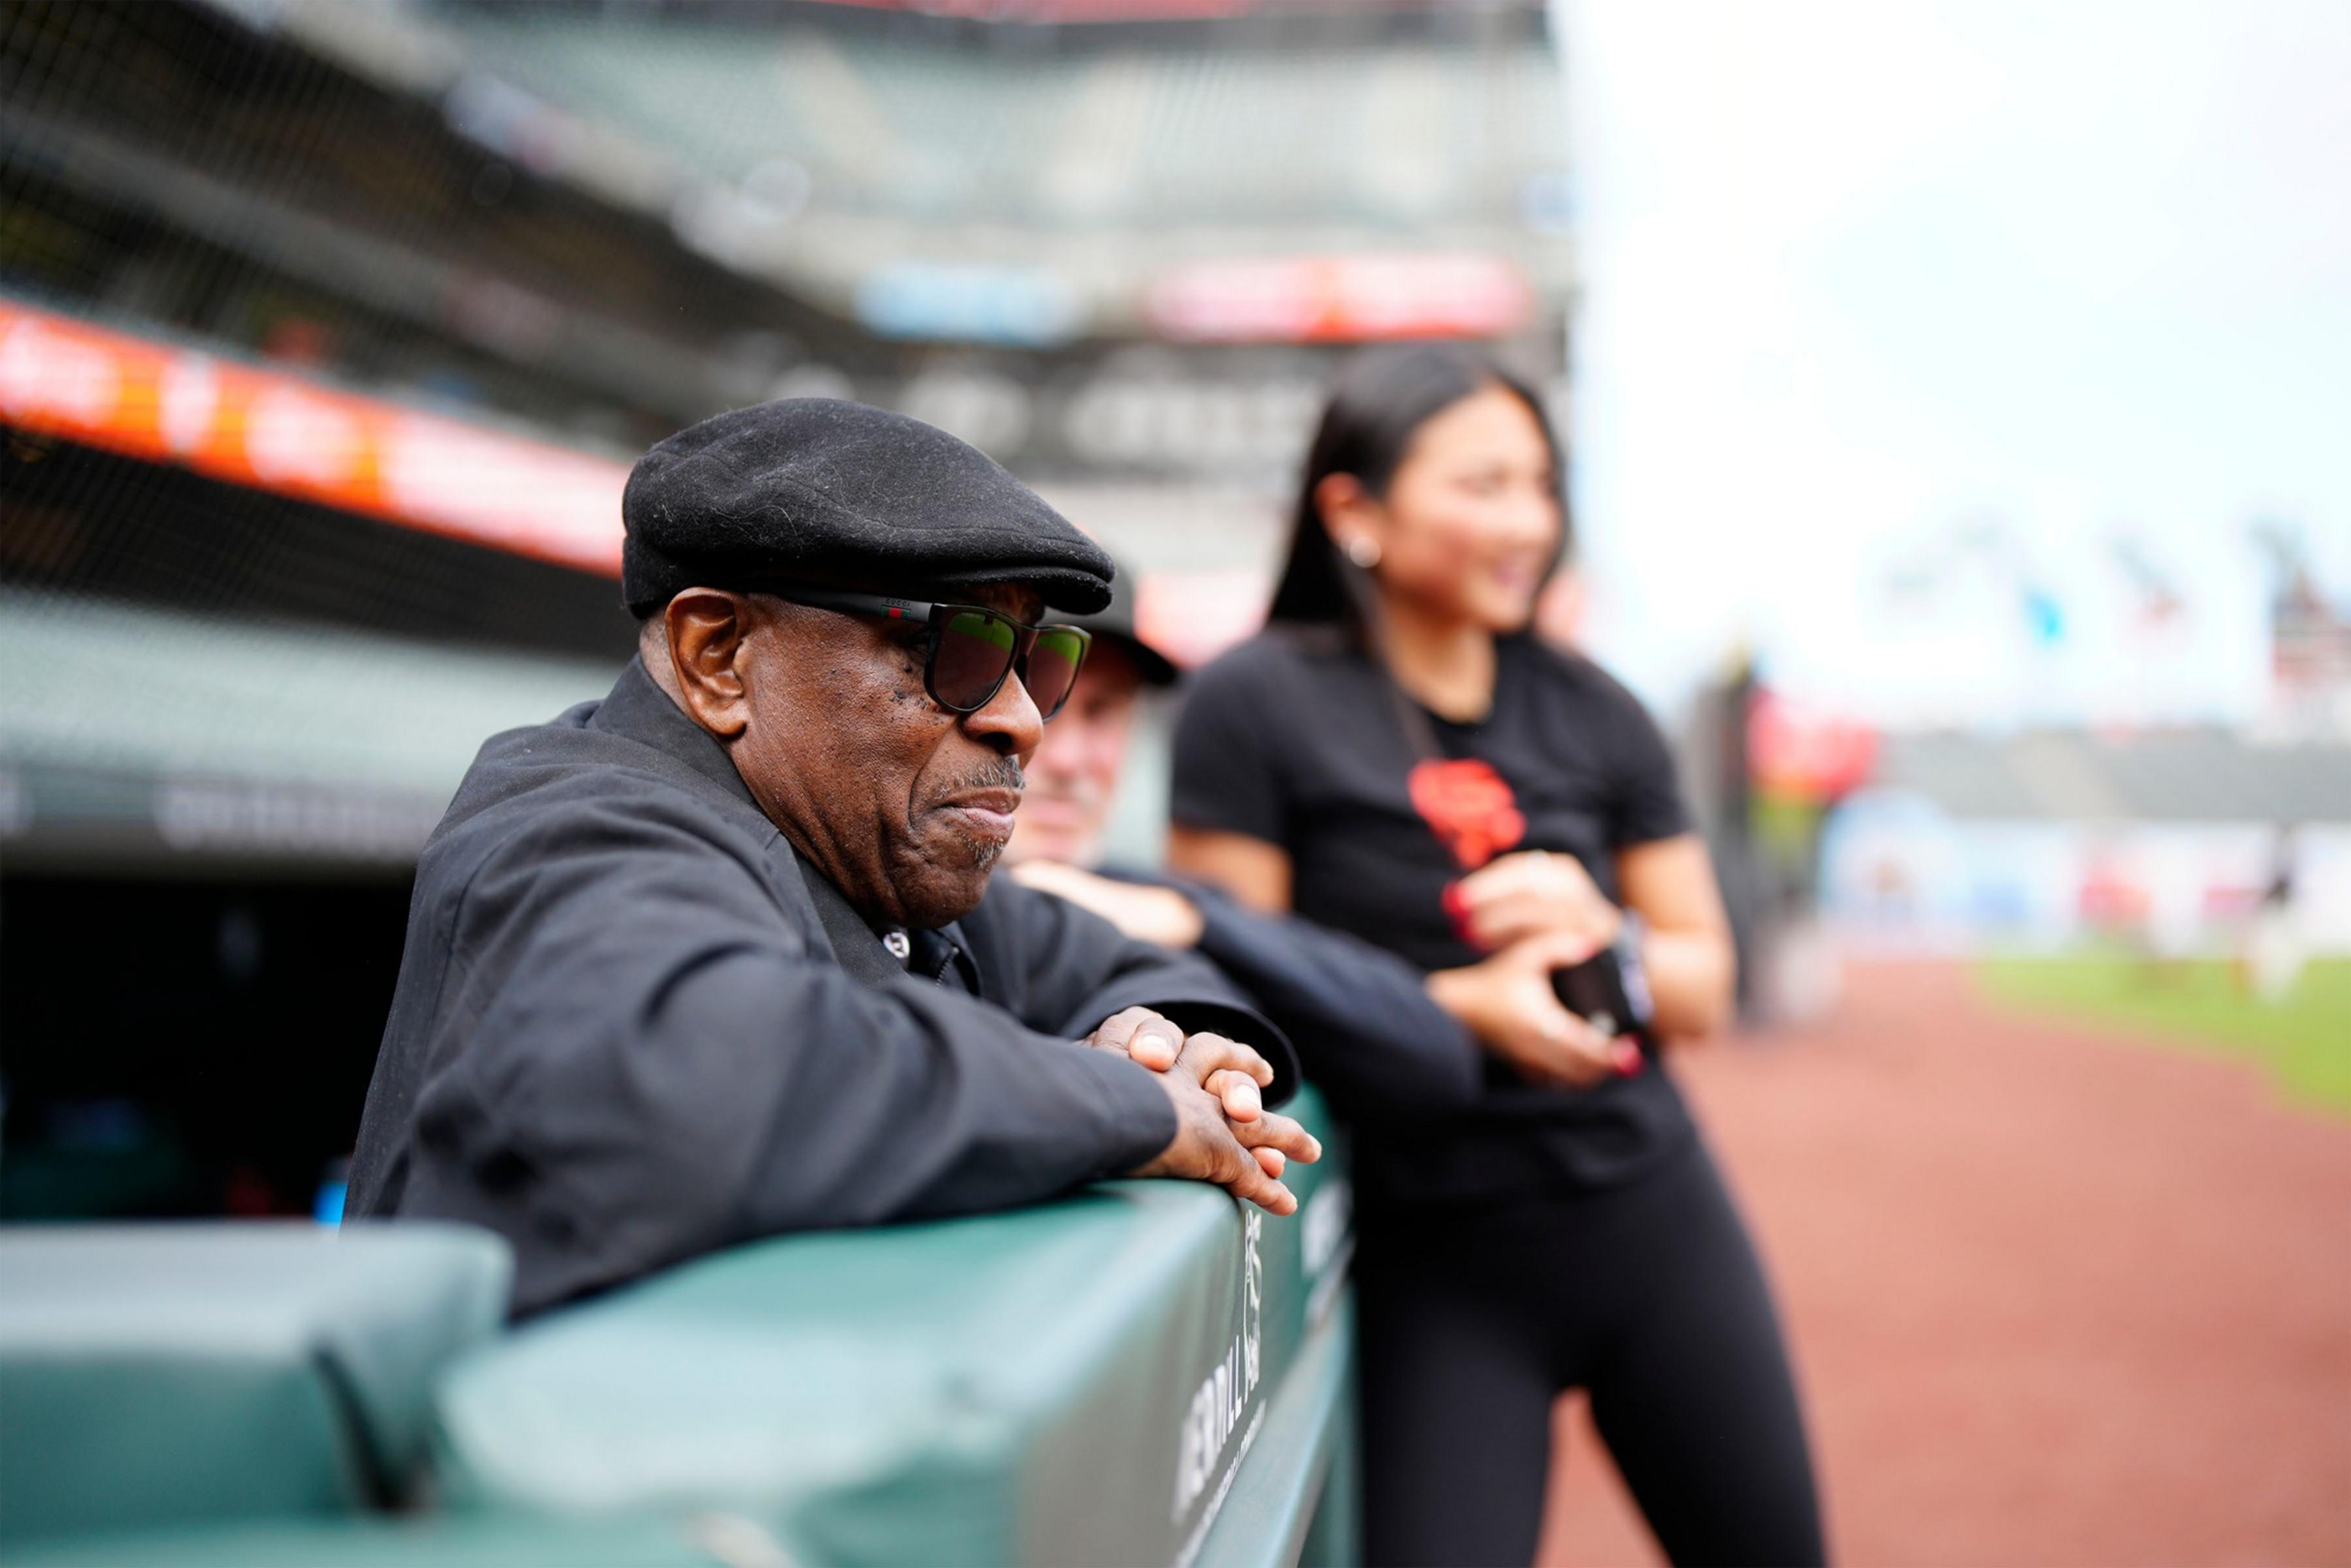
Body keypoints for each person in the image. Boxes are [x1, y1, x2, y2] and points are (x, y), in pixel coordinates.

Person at [347, 399, 1319, 1317]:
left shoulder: (886, 849)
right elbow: (710, 1072)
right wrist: (1120, 1102)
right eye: (962, 648)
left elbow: (1131, 969)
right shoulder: (577, 823)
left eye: (1038, 661)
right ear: (716, 655)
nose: (1022, 720)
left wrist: (1172, 1046)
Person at [1164, 346, 1825, 1567]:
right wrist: (1449, 1007)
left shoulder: (1595, 709)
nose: (1526, 521)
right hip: (1435, 1259)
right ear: (1351, 510)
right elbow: (1229, 989)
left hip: (1653, 1215)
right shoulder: (1249, 707)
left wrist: (1603, 941)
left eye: (1538, 484)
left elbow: (1702, 985)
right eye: (1481, 484)